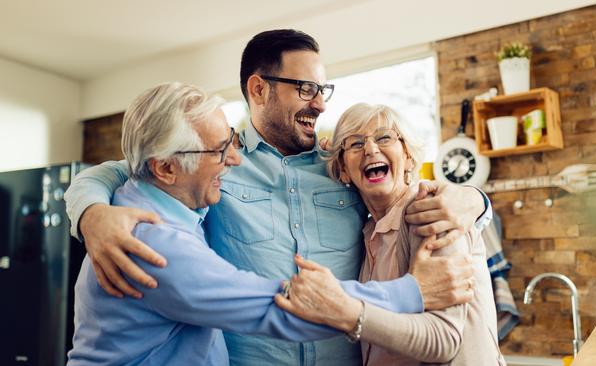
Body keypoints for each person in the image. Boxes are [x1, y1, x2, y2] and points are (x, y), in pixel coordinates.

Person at [64, 29, 491, 365]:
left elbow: (404, 188)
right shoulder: (215, 165)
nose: (321, 105)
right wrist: (90, 212)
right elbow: (128, 169)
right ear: (259, 89)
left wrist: (474, 198)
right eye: (306, 89)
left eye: (324, 91)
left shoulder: (340, 164)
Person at [276, 103, 506, 365]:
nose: (371, 149)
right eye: (356, 144)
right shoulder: (368, 233)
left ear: (408, 156)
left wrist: (350, 313)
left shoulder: (428, 211)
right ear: (343, 169)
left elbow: (444, 341)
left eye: (384, 137)